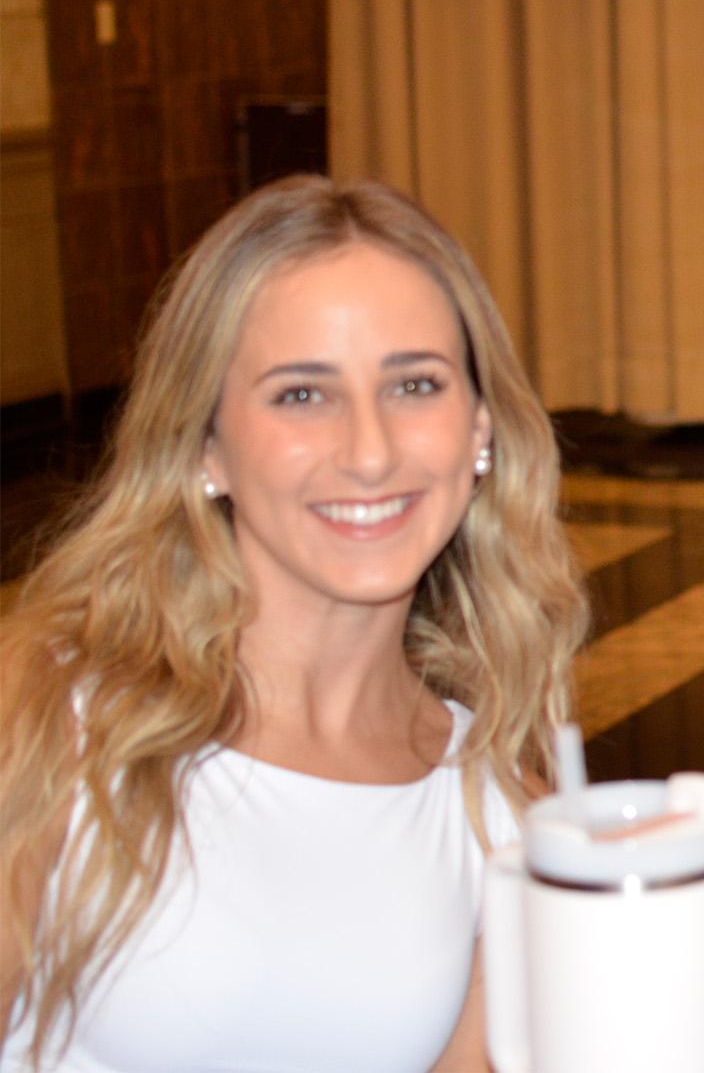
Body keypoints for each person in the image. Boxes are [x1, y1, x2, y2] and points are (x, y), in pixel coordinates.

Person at [0, 176, 588, 1069]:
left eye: (415, 384)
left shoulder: (500, 813)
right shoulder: (57, 711)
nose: (369, 451)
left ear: (480, 430)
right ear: (205, 447)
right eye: (302, 395)